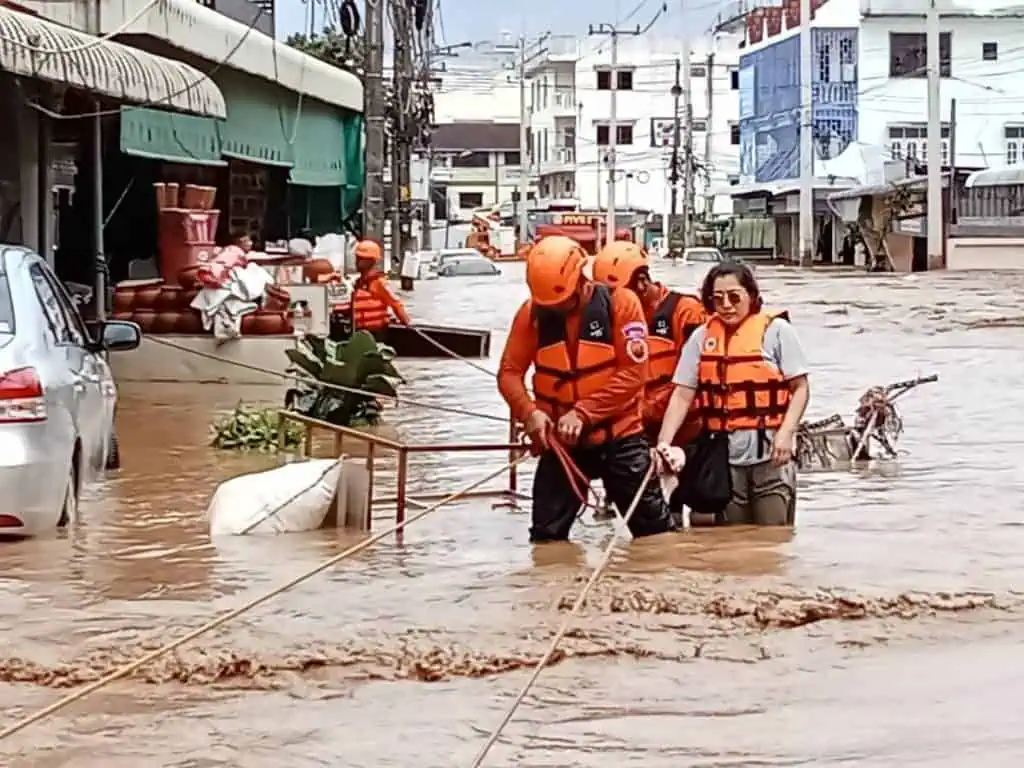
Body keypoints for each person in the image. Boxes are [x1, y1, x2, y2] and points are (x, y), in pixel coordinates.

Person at [497, 235, 678, 542]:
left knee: (655, 537)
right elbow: (509, 373)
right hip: (561, 441)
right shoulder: (531, 314)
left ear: (581, 280)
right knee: (546, 537)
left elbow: (634, 373)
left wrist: (583, 413)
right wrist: (529, 413)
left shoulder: (621, 304)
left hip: (620, 436)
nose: (556, 309)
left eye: (562, 302)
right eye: (548, 304)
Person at [654, 261, 810, 527]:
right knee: (731, 539)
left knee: (772, 538)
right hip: (723, 458)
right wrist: (664, 445)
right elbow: (682, 395)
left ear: (751, 296)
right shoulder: (701, 338)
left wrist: (786, 433)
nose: (726, 305)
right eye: (718, 299)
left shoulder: (778, 332)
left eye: (734, 297)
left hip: (771, 454)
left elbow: (801, 388)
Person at [592, 241, 706, 446]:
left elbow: (695, 376)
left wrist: (645, 410)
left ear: (643, 282)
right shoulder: (614, 317)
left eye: (618, 294)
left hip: (684, 429)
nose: (614, 302)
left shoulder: (686, 311)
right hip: (635, 430)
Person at [335, 239, 412, 332]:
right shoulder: (358, 283)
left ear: (371, 261)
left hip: (376, 332)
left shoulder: (379, 282)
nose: (356, 262)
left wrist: (407, 322)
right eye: (357, 258)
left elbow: (396, 304)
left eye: (360, 259)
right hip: (359, 331)